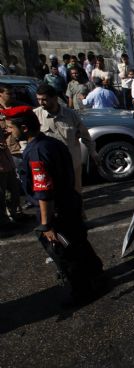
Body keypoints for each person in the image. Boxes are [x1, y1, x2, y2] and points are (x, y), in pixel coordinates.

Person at [1, 105, 105, 303]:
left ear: (23, 128)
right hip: (70, 203)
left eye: (10, 127)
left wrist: (46, 224)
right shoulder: (51, 143)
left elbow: (44, 192)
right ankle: (97, 276)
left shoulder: (36, 153)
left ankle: (82, 292)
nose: (7, 131)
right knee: (80, 244)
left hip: (56, 212)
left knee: (66, 253)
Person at [34, 84, 99, 194]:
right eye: (38, 100)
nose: (41, 103)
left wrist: (93, 152)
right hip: (49, 166)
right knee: (53, 196)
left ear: (55, 98)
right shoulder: (35, 115)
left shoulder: (71, 115)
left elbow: (85, 136)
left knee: (75, 194)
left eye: (44, 100)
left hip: (72, 165)